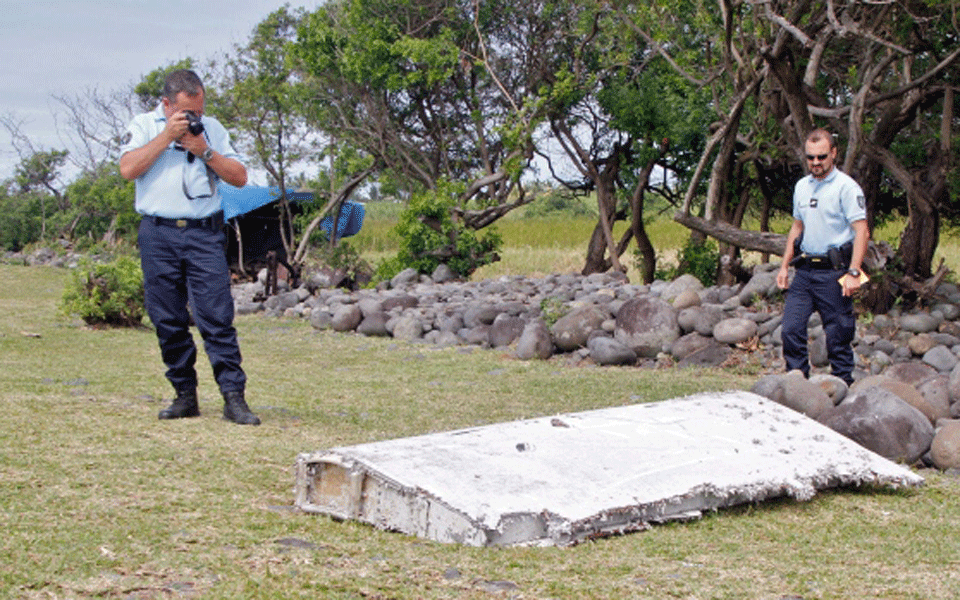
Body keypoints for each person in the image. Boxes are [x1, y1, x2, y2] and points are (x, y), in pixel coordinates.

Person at [120, 69, 260, 425]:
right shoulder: (143, 125)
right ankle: (184, 395)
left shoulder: (212, 128)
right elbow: (128, 169)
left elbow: (239, 177)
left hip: (203, 233)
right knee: (167, 317)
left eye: (198, 110)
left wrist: (204, 150)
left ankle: (234, 398)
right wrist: (167, 136)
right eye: (186, 111)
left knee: (216, 315)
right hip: (158, 233)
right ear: (166, 104)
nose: (194, 118)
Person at [776, 128, 869, 386]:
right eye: (811, 158)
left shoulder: (847, 188)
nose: (816, 163)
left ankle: (842, 387)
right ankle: (798, 383)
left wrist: (853, 272)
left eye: (821, 157)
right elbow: (797, 227)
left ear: (833, 154)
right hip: (805, 271)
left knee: (838, 334)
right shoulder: (802, 187)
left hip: (835, 272)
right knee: (790, 329)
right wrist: (784, 266)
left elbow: (862, 231)